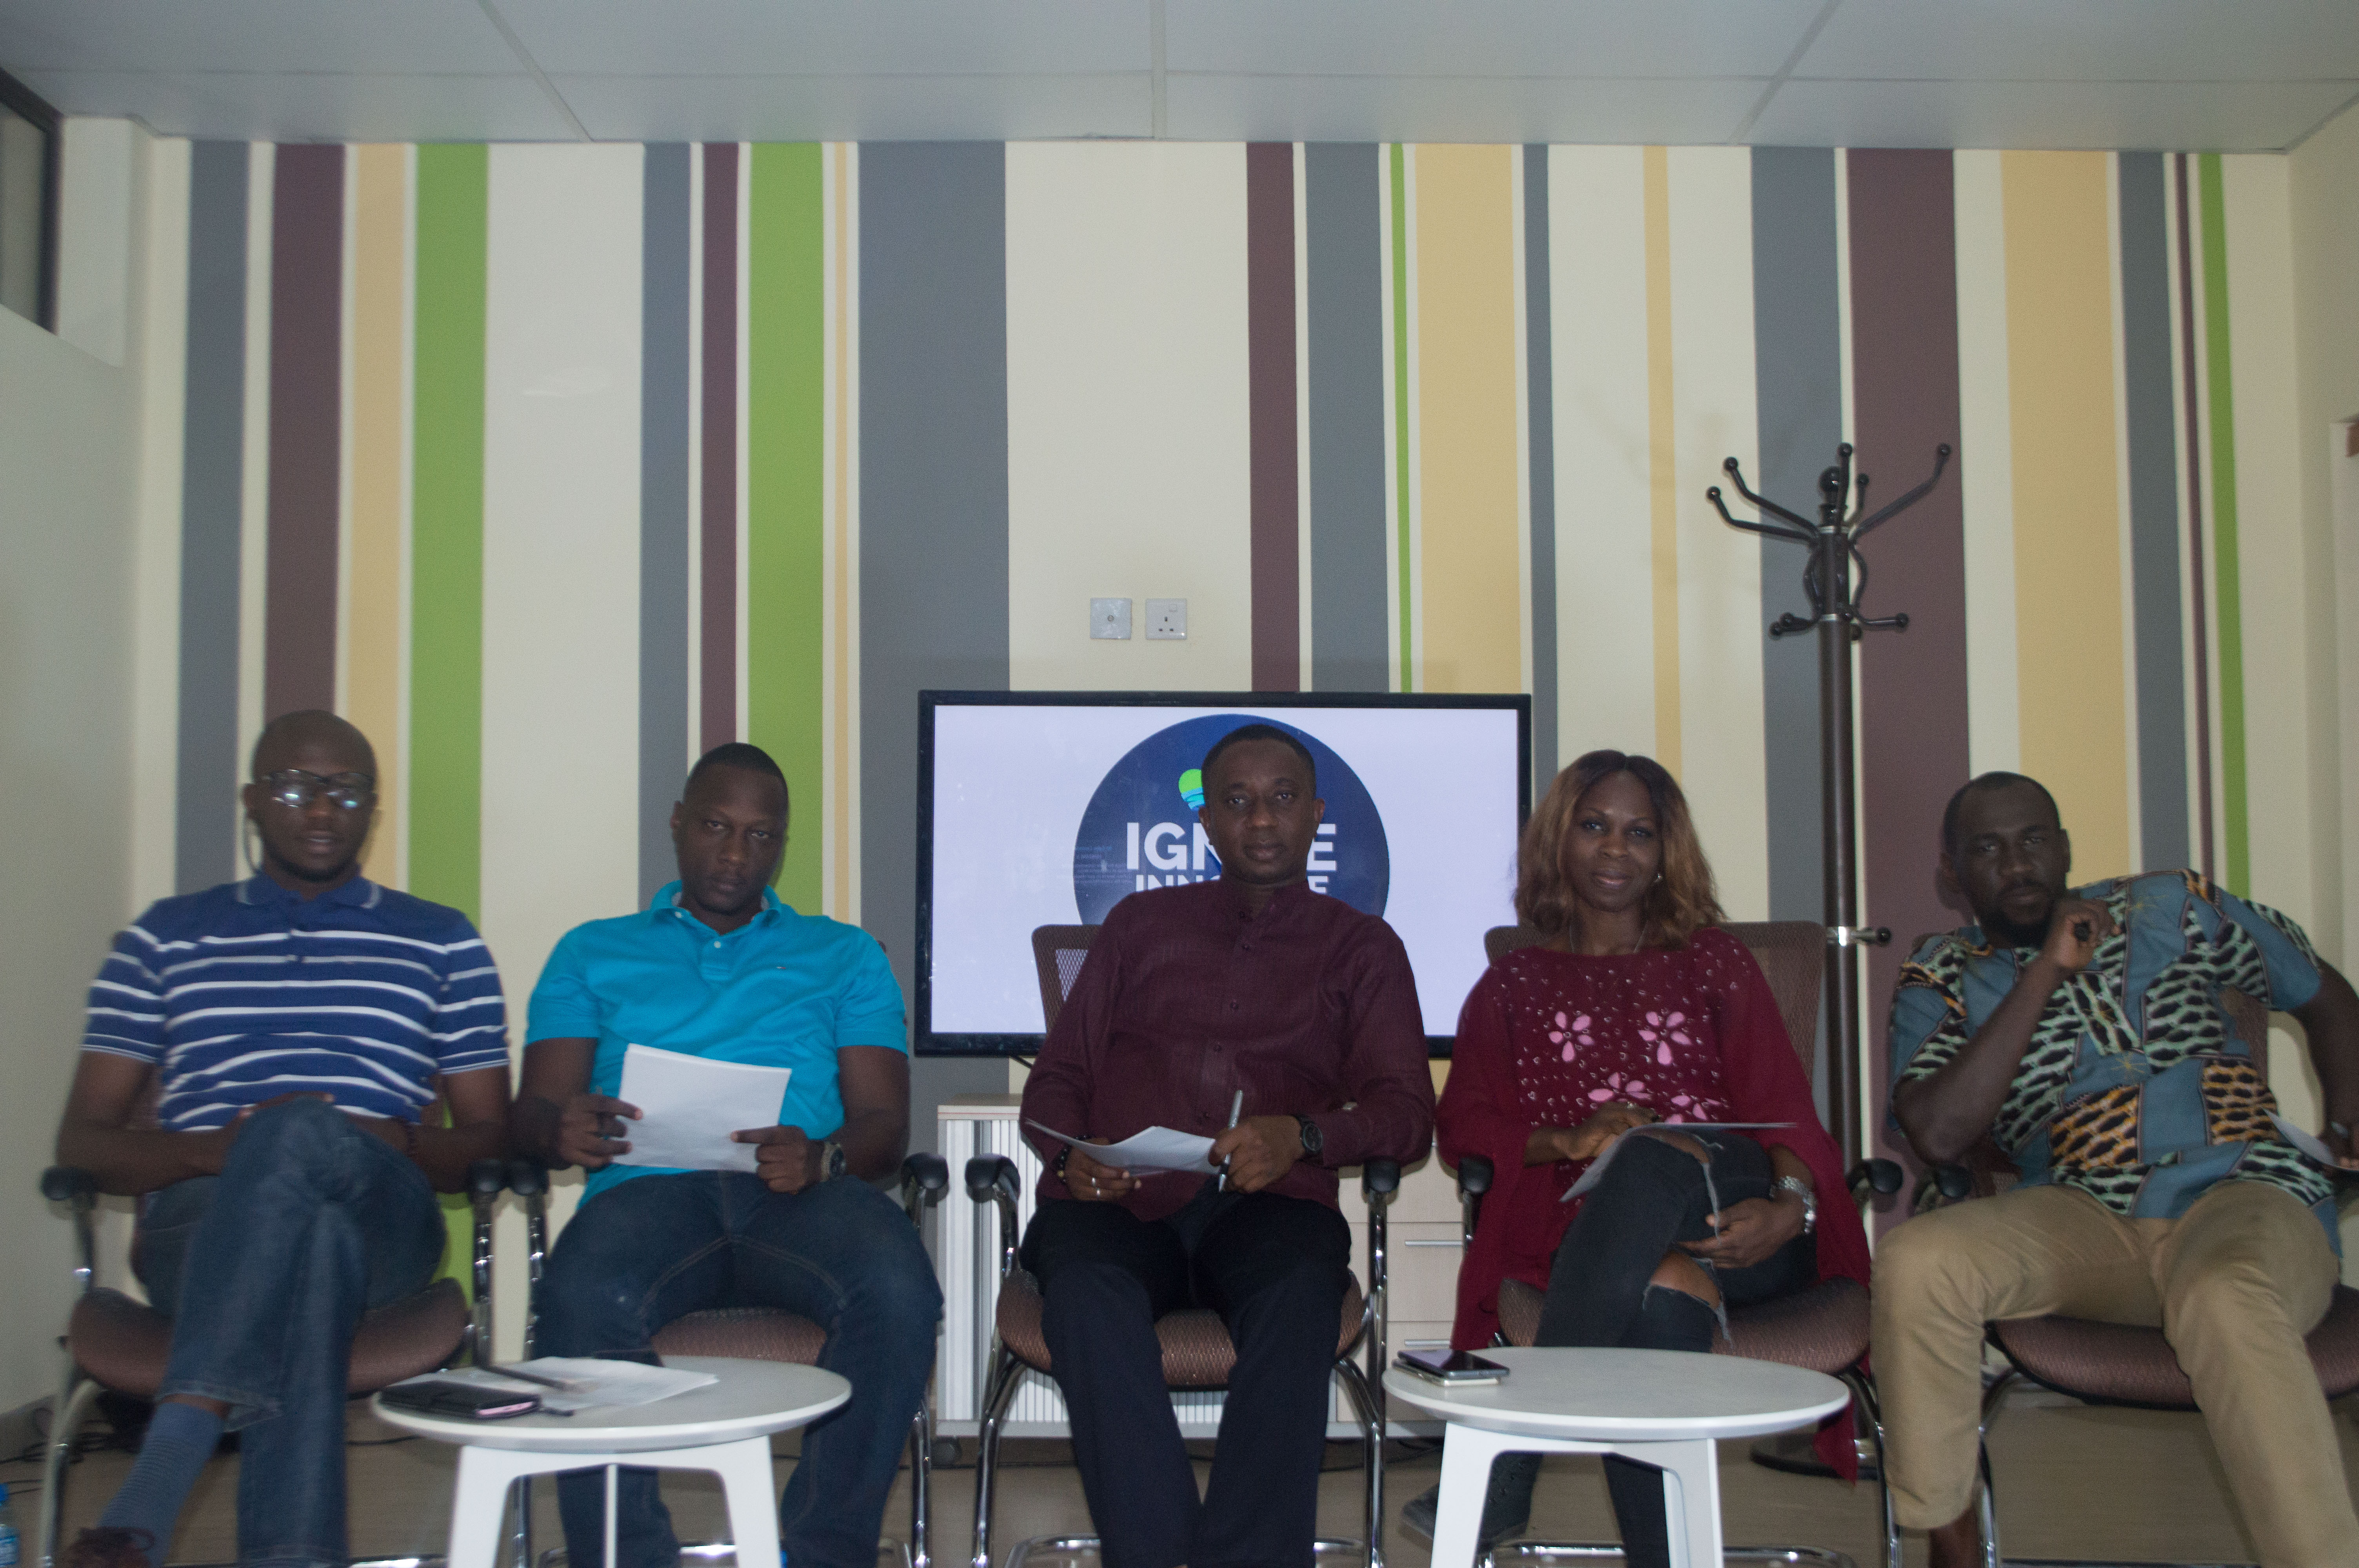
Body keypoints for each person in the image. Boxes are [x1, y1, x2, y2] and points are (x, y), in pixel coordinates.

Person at [55, 711, 514, 1568]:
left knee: (307, 1149)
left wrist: (396, 1137)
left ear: (373, 808)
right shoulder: (164, 937)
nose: (323, 809)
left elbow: (491, 1142)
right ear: (253, 800)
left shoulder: (442, 940)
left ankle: (160, 1478)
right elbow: (82, 1143)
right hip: (203, 1225)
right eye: (298, 787)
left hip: (386, 1218)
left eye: (348, 791)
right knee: (314, 1239)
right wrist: (214, 1151)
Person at [1878, 771, 2359, 1568]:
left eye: (2034, 839)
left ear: (2065, 847)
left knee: (2224, 1294)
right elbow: (1937, 1131)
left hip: (2245, 1190)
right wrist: (2044, 972)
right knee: (1917, 1259)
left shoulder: (2170, 904)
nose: (2017, 863)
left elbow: (2325, 996)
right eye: (1987, 849)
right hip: (2085, 1214)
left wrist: (2345, 1119)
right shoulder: (1941, 973)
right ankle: (1949, 1539)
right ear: (1950, 874)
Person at [1406, 750, 1870, 1558]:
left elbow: (1787, 1113)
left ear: (1665, 852)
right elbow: (1465, 1129)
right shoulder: (1512, 984)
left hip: (1737, 1212)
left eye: (1639, 832)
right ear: (1559, 841)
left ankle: (1510, 1464)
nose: (1615, 848)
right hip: (1592, 1237)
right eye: (1594, 826)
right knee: (1661, 1287)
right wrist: (1568, 1139)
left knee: (1652, 1151)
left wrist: (1790, 1209)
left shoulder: (1712, 961)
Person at [1018, 722, 1435, 1568]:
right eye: (1237, 801)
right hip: (1118, 1200)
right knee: (1086, 1294)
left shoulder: (1362, 948)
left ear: (1317, 814)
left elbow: (1406, 1114)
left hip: (1270, 1204)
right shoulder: (1138, 925)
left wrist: (1304, 1134)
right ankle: (1159, 1550)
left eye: (1281, 798)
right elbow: (1057, 1079)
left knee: (1299, 1295)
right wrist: (1071, 1155)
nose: (1261, 819)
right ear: (1205, 821)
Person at [514, 742, 940, 1568]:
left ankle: (819, 1551)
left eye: (760, 835)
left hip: (798, 1194)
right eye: (716, 826)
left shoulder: (845, 954)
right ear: (678, 823)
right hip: (645, 1192)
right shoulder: (591, 950)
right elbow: (532, 1109)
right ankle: (629, 1555)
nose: (736, 853)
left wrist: (824, 1156)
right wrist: (557, 1128)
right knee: (581, 1293)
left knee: (899, 1290)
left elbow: (885, 1126)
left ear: (781, 844)